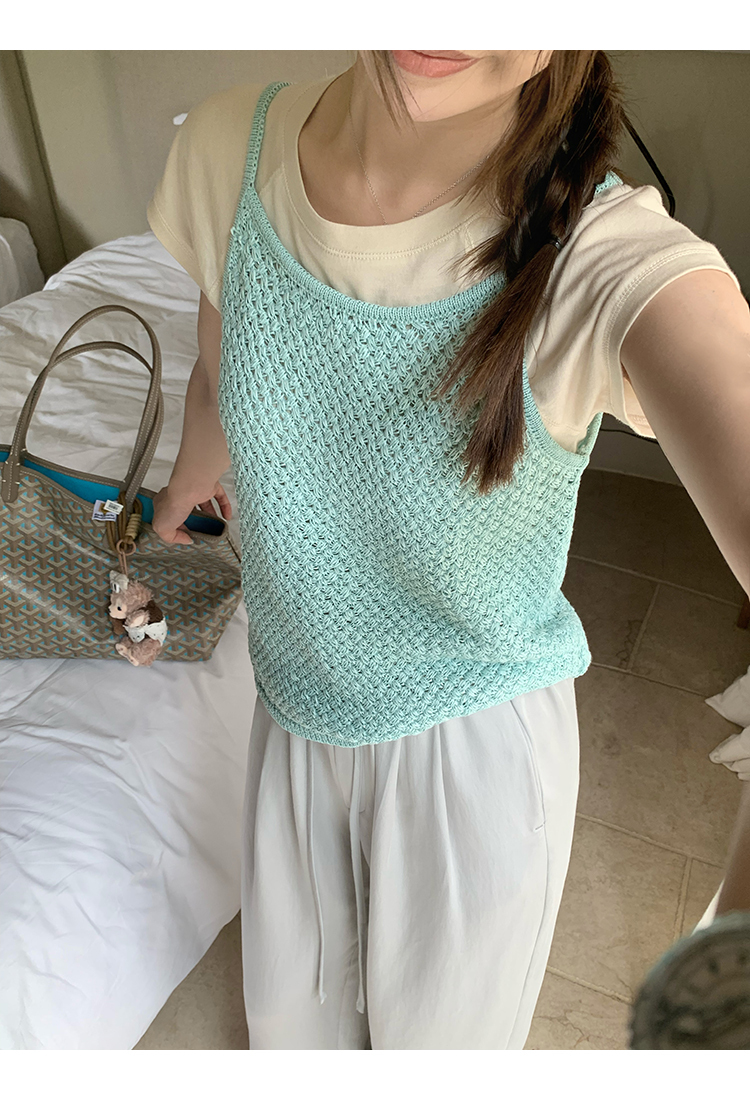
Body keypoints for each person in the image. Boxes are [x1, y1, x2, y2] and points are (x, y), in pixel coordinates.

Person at [147, 50, 750, 1049]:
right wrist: (185, 479)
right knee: (289, 1036)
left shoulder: (604, 255)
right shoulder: (227, 147)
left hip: (472, 759)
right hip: (293, 710)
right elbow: (224, 363)